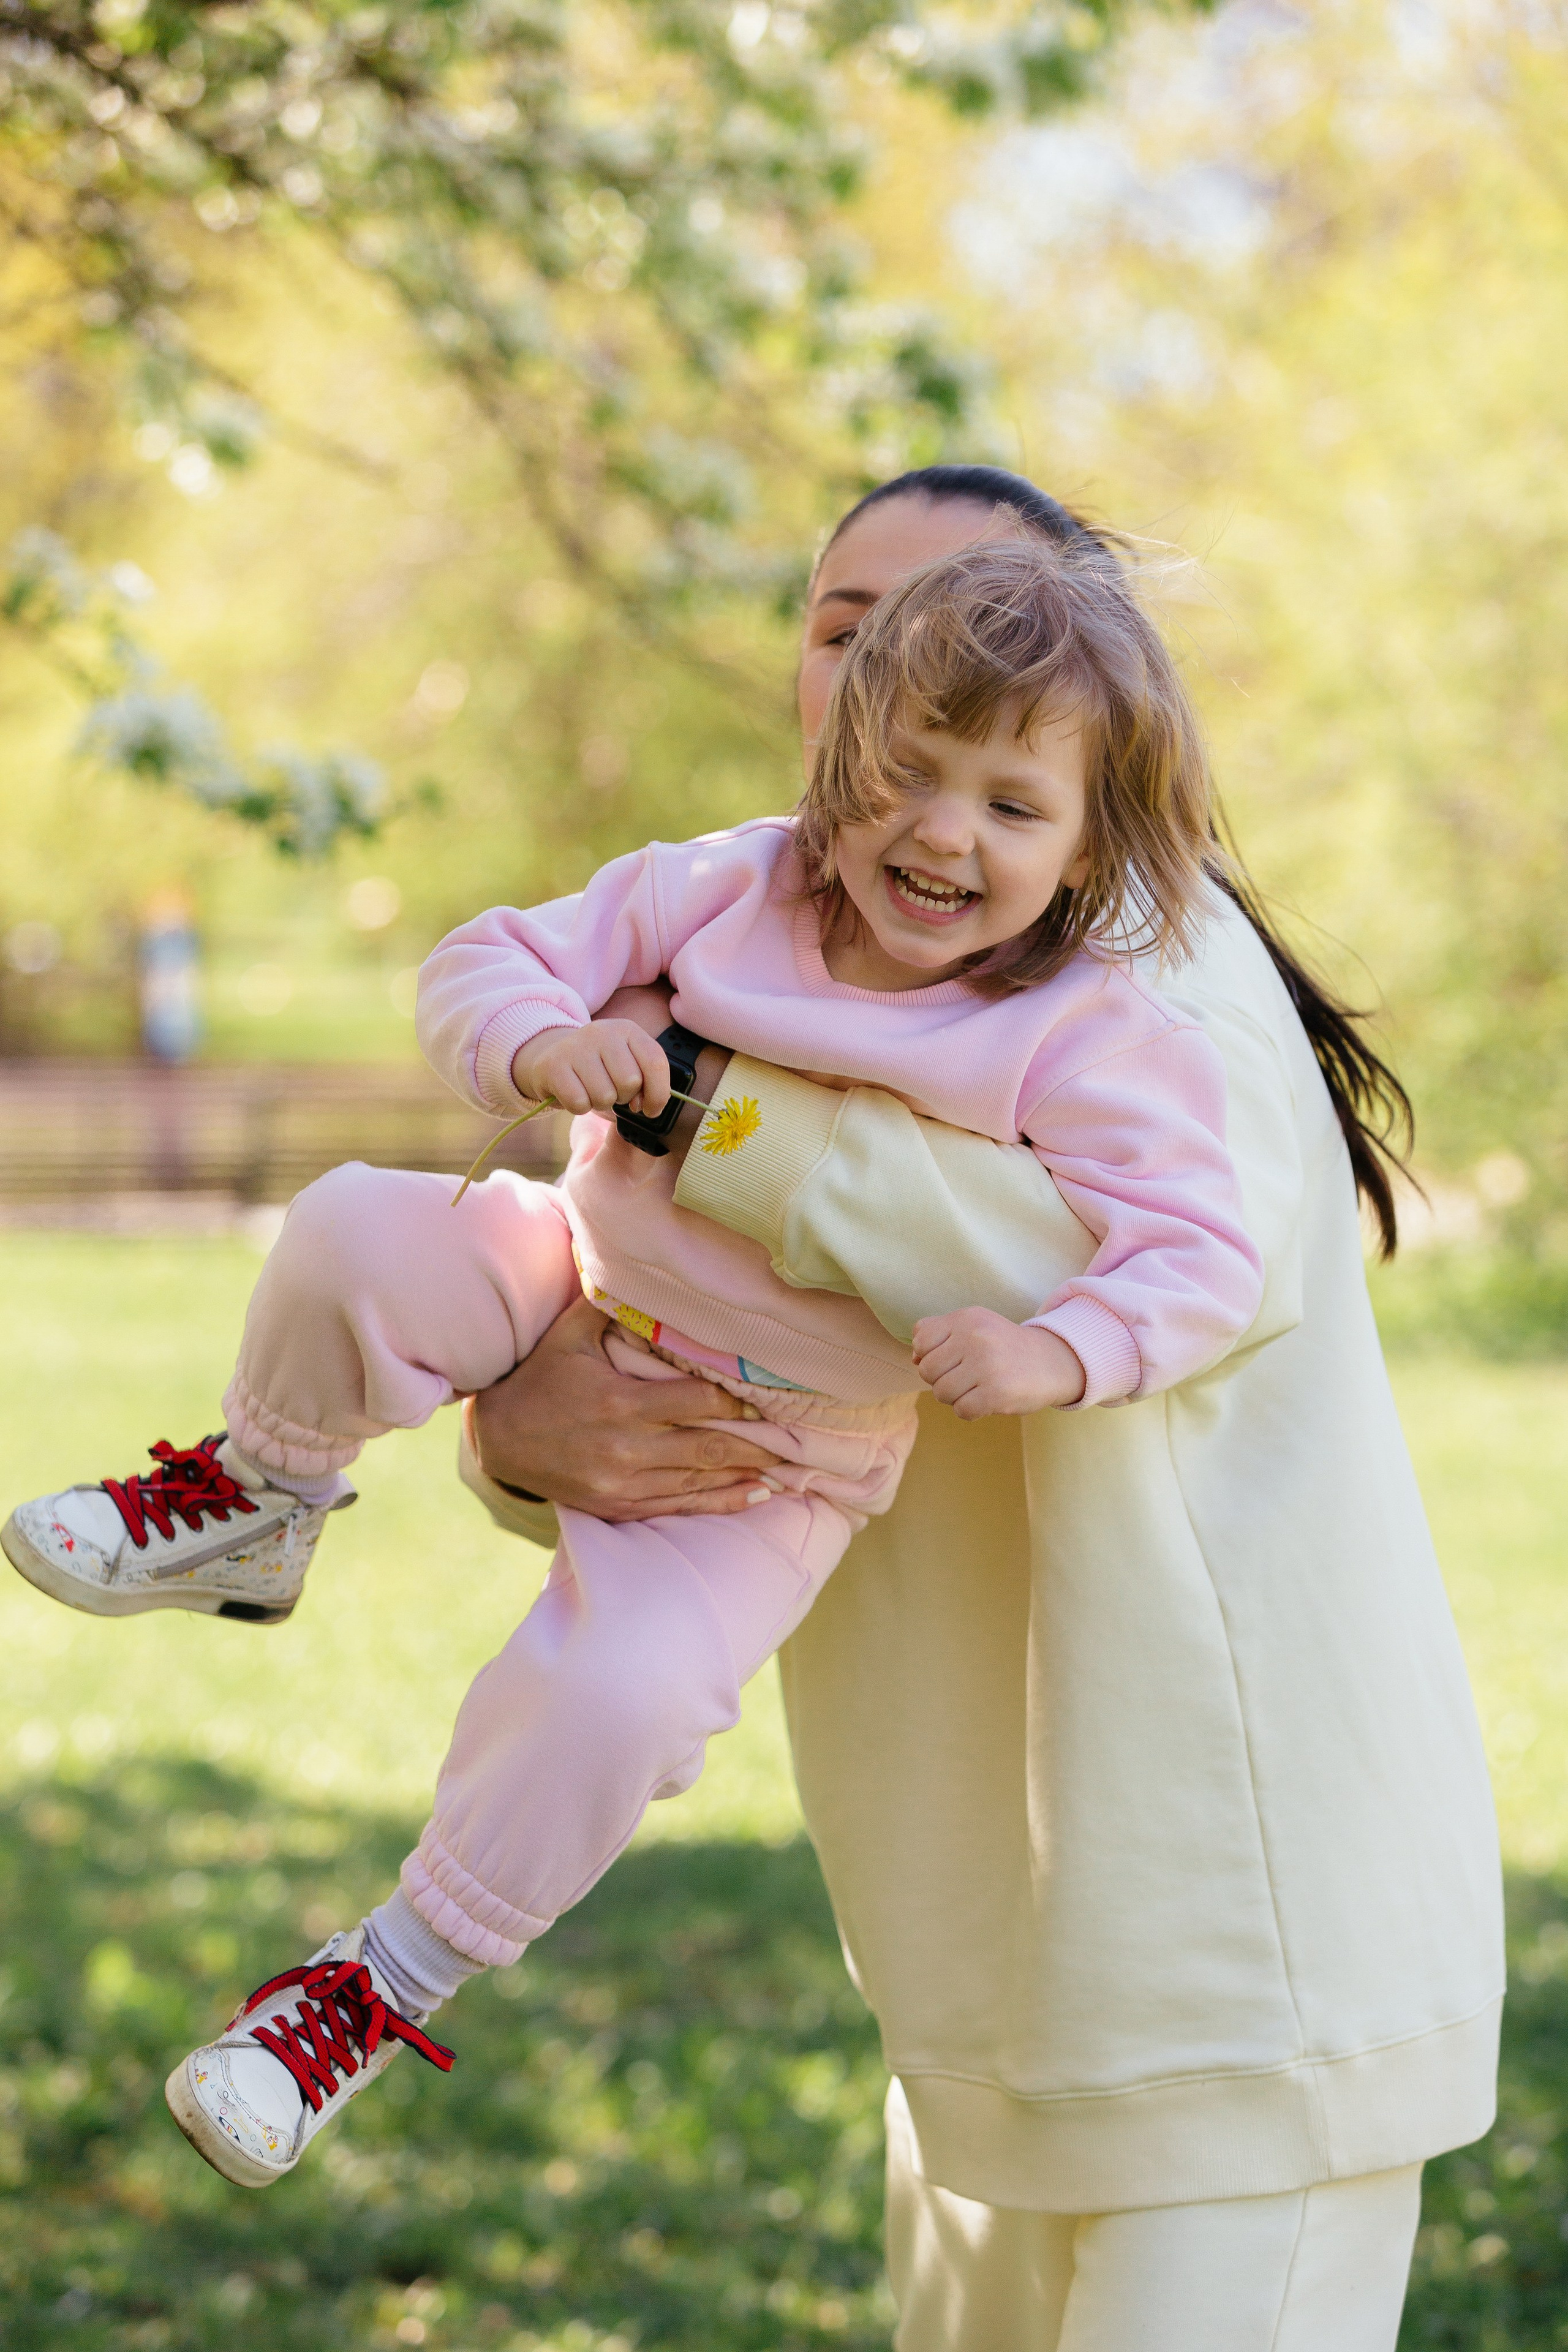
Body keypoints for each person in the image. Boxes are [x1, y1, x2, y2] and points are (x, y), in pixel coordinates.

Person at [7, 531, 1272, 2192]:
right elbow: (484, 957)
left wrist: (1061, 1353)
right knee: (356, 1226)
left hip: (776, 1457)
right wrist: (544, 1039)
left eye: (1012, 807)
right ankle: (263, 1490)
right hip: (572, 1272)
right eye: (909, 771)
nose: (942, 832)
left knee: (622, 1695)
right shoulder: (735, 886)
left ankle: (374, 1986)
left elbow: (1208, 1253)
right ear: (844, 754)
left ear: (1090, 840)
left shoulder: (1086, 1033)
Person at [454, 469, 1505, 2350]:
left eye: (952, 622)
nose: (884, 658)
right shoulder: (762, 954)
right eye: (840, 623)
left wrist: (709, 1112)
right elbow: (706, 1371)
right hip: (971, 1970)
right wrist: (517, 1429)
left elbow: (1036, 1261)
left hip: (1234, 1968)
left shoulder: (1153, 979)